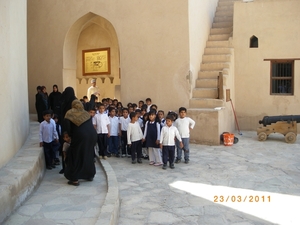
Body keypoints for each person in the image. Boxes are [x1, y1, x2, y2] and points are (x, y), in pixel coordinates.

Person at [63, 99, 97, 186]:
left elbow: (68, 128)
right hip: (92, 135)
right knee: (88, 153)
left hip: (80, 137)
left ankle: (74, 179)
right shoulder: (86, 113)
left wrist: (70, 137)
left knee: (75, 155)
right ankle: (89, 175)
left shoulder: (69, 113)